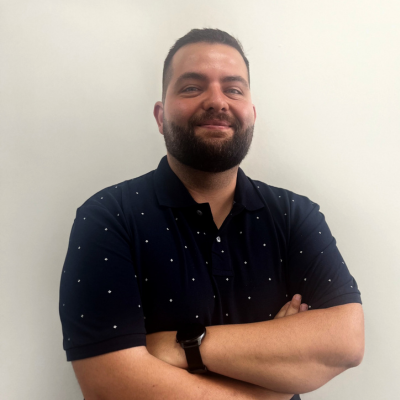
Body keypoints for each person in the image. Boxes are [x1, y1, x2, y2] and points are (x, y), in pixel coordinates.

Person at [59, 28, 364, 400]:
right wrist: (273, 385)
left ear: (251, 114)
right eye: (192, 87)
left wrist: (181, 346)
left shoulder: (295, 214)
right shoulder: (107, 218)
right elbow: (109, 386)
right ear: (160, 117)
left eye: (233, 89)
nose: (217, 101)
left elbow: (346, 341)